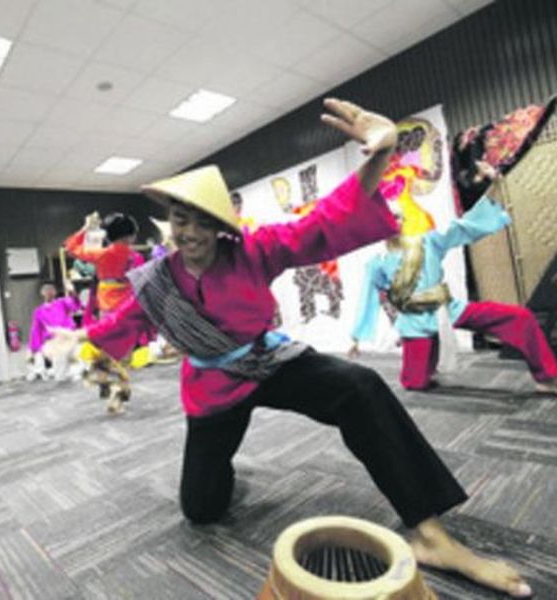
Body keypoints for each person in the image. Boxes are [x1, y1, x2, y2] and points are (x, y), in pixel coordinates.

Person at [49, 99, 532, 598]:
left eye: (199, 220)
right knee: (201, 508)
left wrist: (379, 155)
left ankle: (431, 534)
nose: (189, 232)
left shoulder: (254, 251)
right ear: (170, 224)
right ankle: (222, 472)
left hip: (268, 361)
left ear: (219, 224)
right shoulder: (156, 280)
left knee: (359, 386)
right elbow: (127, 320)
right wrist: (81, 337)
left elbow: (322, 223)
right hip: (213, 389)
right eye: (179, 220)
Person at [349, 161, 557, 394]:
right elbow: (368, 297)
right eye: (387, 219)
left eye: (398, 217)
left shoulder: (428, 242)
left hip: (446, 310)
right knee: (415, 384)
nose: (394, 222)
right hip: (415, 322)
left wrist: (489, 185)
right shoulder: (377, 262)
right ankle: (428, 362)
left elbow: (463, 226)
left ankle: (546, 376)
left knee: (520, 317)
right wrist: (356, 337)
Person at [64, 212, 147, 412]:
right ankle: (115, 390)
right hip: (127, 311)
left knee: (105, 351)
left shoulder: (101, 255)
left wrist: (85, 228)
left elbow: (71, 247)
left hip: (106, 310)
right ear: (131, 236)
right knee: (121, 356)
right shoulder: (136, 257)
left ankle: (107, 382)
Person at [26, 282, 83, 382]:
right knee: (60, 374)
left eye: (51, 290)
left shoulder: (62, 302)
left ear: (55, 292)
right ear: (42, 293)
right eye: (46, 291)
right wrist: (34, 347)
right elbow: (36, 329)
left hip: (68, 335)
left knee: (75, 356)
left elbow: (76, 306)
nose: (49, 293)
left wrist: (72, 292)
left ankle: (77, 373)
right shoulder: (39, 311)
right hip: (55, 341)